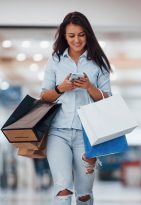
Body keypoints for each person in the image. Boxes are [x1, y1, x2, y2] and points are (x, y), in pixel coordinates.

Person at [40, 11, 112, 205]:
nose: (77, 40)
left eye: (81, 34)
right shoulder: (55, 60)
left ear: (87, 34)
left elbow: (107, 99)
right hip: (58, 133)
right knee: (62, 191)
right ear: (64, 36)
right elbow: (44, 96)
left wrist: (89, 87)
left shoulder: (99, 63)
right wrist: (60, 88)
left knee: (84, 194)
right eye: (71, 35)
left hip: (87, 135)